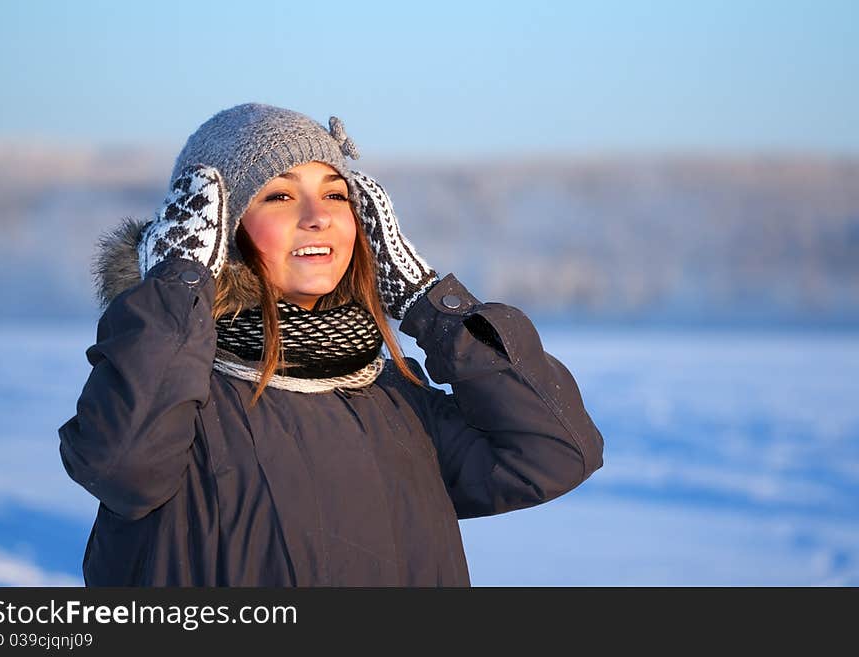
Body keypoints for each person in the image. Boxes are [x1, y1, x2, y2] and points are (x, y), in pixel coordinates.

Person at [58, 102, 605, 586]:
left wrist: (426, 302)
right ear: (215, 232)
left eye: (335, 194)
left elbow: (555, 453)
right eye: (279, 195)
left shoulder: (395, 397)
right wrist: (177, 286)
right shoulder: (178, 402)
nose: (318, 218)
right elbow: (121, 469)